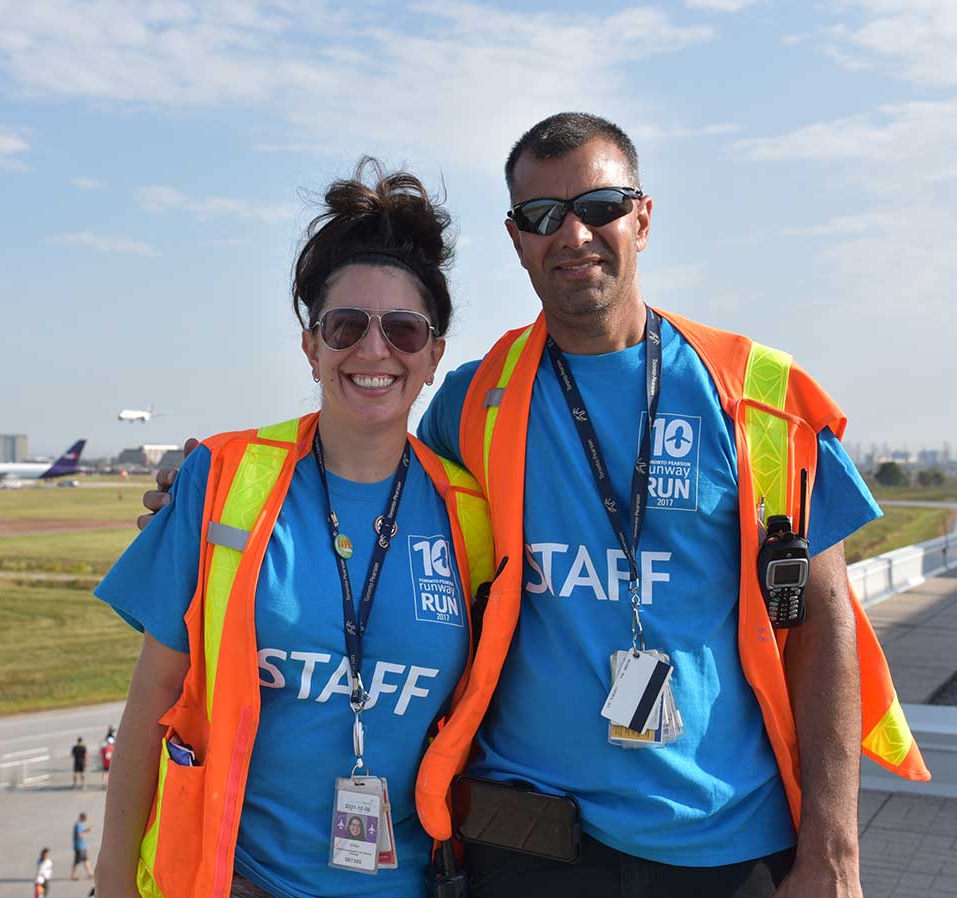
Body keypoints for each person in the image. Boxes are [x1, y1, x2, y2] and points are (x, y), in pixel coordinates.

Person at [142, 115, 929, 898]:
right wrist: (201, 489)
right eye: (543, 217)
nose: (574, 233)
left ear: (643, 217)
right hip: (529, 846)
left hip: (725, 841)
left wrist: (833, 853)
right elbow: (363, 458)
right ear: (518, 239)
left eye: (600, 205)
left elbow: (826, 621)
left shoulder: (759, 400)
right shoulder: (473, 404)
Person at [96, 160, 493, 898]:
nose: (375, 351)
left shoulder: (472, 519)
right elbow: (152, 697)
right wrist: (114, 880)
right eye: (346, 326)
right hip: (237, 882)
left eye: (404, 329)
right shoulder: (221, 480)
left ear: (434, 356)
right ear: (312, 346)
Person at [71, 812, 94, 880]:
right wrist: (87, 833)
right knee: (77, 862)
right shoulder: (78, 825)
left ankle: (90, 874)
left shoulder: (80, 825)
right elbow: (79, 835)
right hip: (79, 846)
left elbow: (81, 832)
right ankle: (73, 875)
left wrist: (86, 830)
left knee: (86, 860)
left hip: (82, 847)